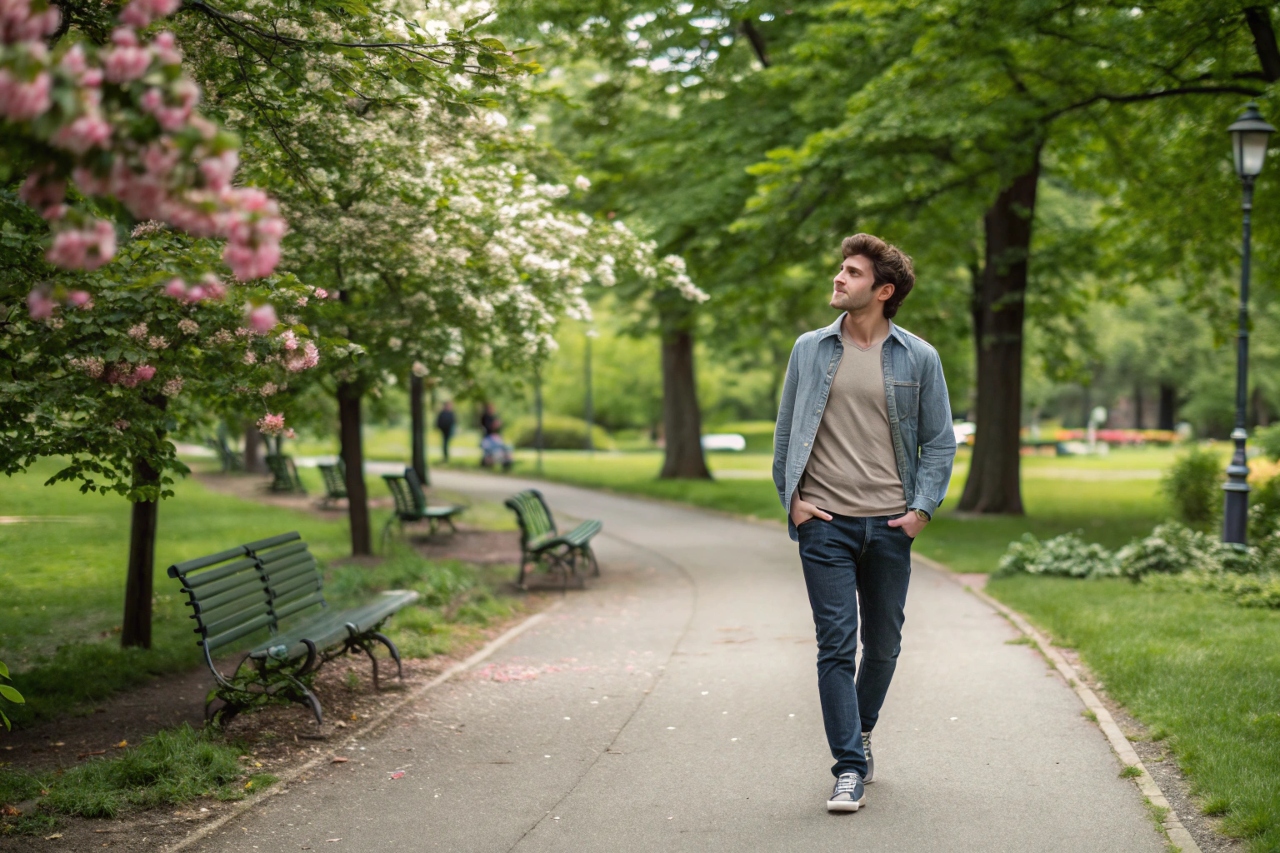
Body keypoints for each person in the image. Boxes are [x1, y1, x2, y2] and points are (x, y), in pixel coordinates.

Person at [773, 233, 955, 814]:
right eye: (840, 268)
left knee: (884, 646)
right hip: (823, 521)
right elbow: (786, 433)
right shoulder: (810, 348)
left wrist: (921, 511)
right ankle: (848, 767)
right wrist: (794, 502)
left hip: (888, 524)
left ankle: (862, 730)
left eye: (851, 272)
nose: (838, 278)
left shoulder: (918, 357)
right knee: (835, 645)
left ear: (883, 290)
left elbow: (939, 442)